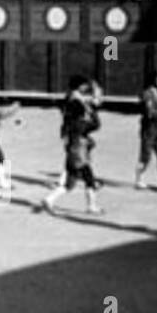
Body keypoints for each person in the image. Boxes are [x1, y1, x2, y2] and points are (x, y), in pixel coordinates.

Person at [41, 75, 103, 216]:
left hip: (72, 144)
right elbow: (92, 123)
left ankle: (49, 199)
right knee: (88, 177)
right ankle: (91, 206)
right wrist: (95, 101)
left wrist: (94, 100)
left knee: (71, 182)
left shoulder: (70, 100)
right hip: (78, 146)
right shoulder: (77, 106)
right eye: (84, 85)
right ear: (79, 86)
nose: (86, 88)